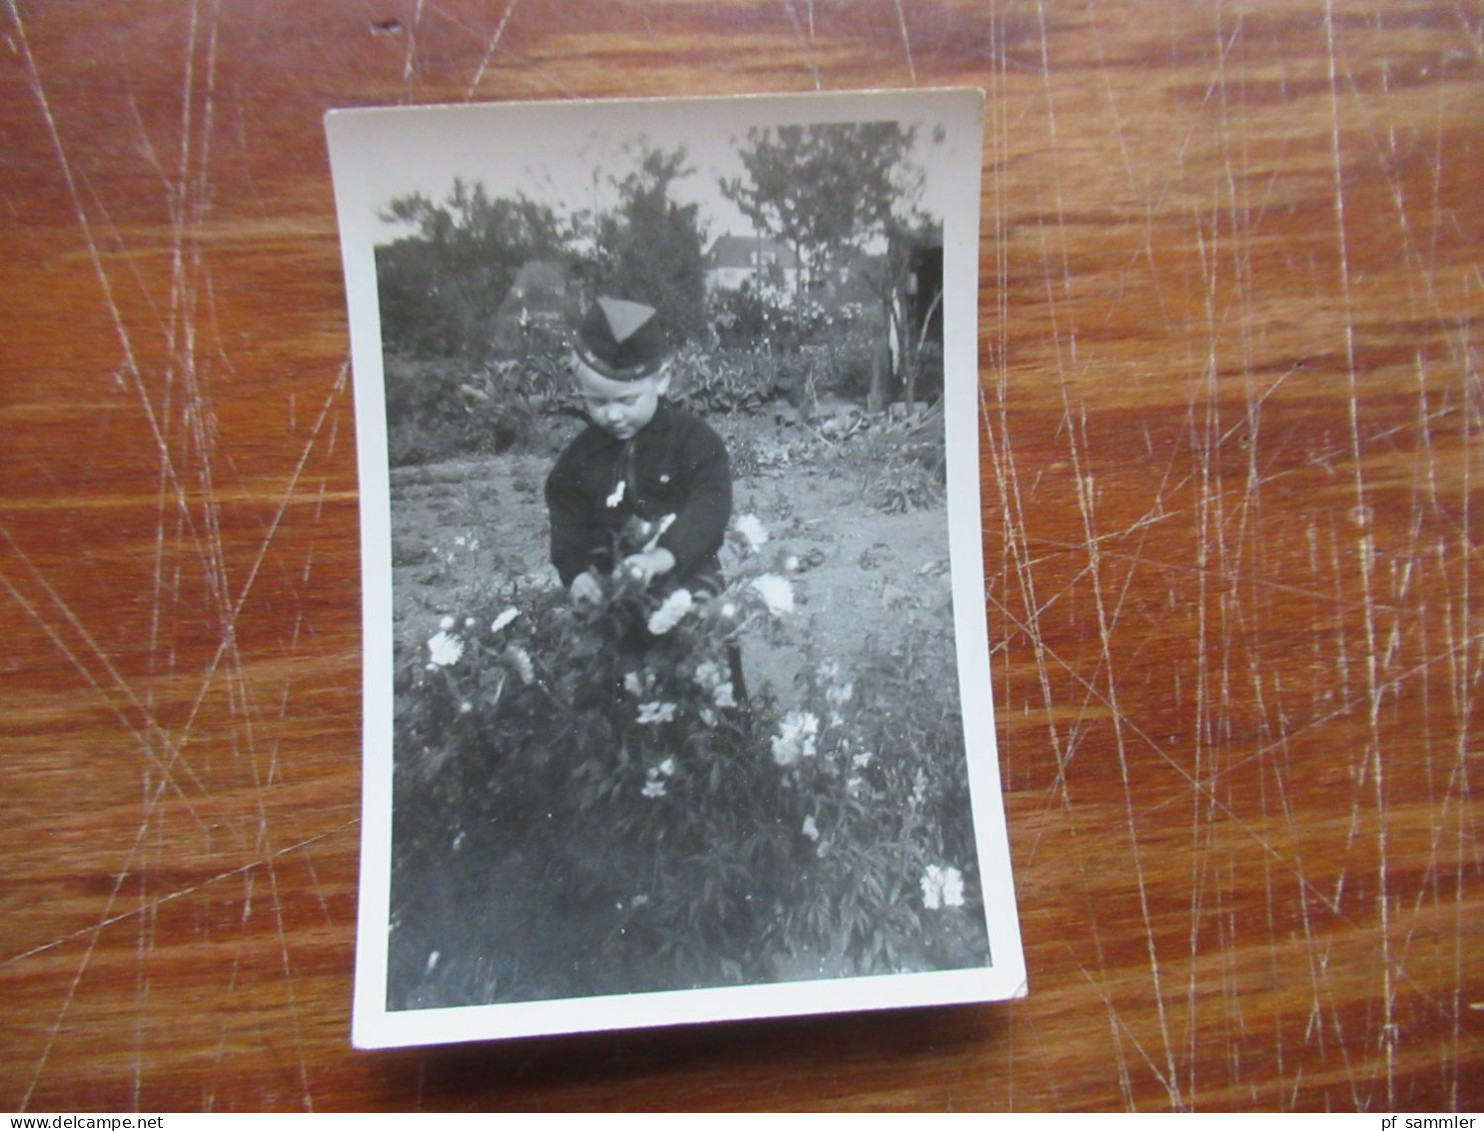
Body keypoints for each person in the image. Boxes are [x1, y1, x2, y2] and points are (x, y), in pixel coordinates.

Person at [545, 296, 733, 606]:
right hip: (612, 585)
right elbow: (566, 514)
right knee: (591, 642)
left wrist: (662, 556)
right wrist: (577, 571)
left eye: (627, 401)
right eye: (598, 402)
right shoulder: (582, 455)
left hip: (685, 573)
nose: (613, 415)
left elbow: (710, 506)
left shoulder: (694, 442)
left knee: (703, 636)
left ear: (661, 381)